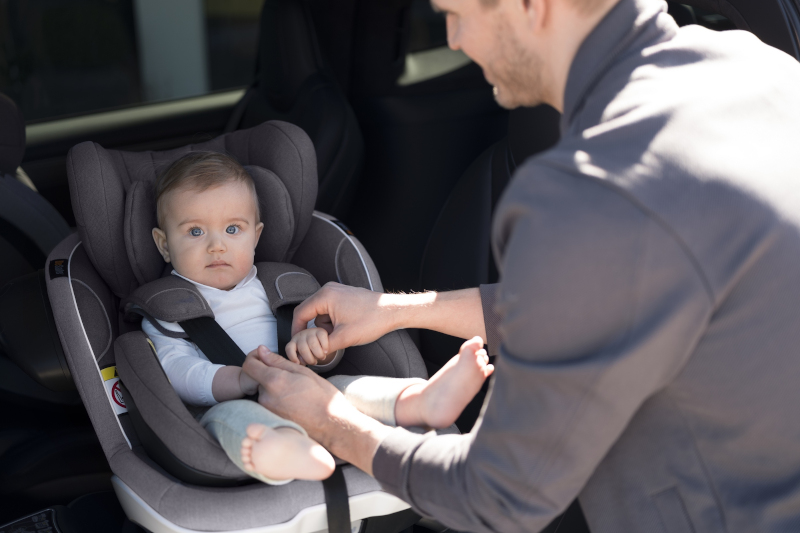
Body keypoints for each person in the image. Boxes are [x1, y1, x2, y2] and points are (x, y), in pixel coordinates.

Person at [241, 0, 800, 530]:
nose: (455, 41)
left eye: (456, 16)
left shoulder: (590, 186)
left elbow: (498, 494)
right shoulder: (763, 70)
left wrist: (333, 422)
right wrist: (390, 311)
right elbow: (606, 296)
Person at [142, 151, 494, 484]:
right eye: (195, 231)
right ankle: (284, 448)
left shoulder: (277, 286)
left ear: (256, 236)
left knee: (346, 391)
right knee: (233, 422)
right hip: (228, 400)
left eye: (232, 229)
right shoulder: (168, 310)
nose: (216, 245)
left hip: (306, 389)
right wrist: (236, 381)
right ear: (163, 244)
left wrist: (313, 345)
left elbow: (313, 340)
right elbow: (176, 371)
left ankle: (420, 399)